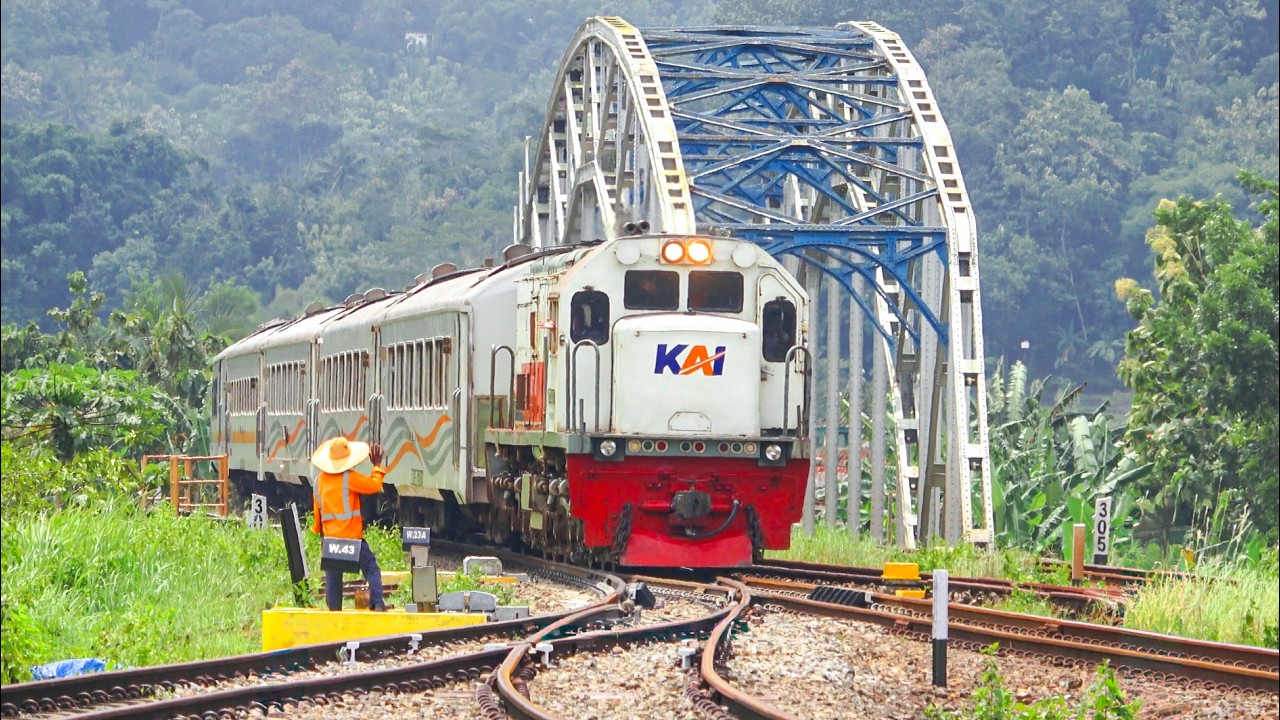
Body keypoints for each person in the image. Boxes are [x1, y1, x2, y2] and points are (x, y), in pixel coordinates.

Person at [311, 436, 387, 611]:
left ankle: (334, 611)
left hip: (331, 540)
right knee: (371, 569)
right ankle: (377, 603)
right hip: (352, 539)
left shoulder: (318, 482)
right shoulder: (349, 478)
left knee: (333, 576)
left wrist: (320, 533)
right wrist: (376, 465)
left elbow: (318, 513)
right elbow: (374, 486)